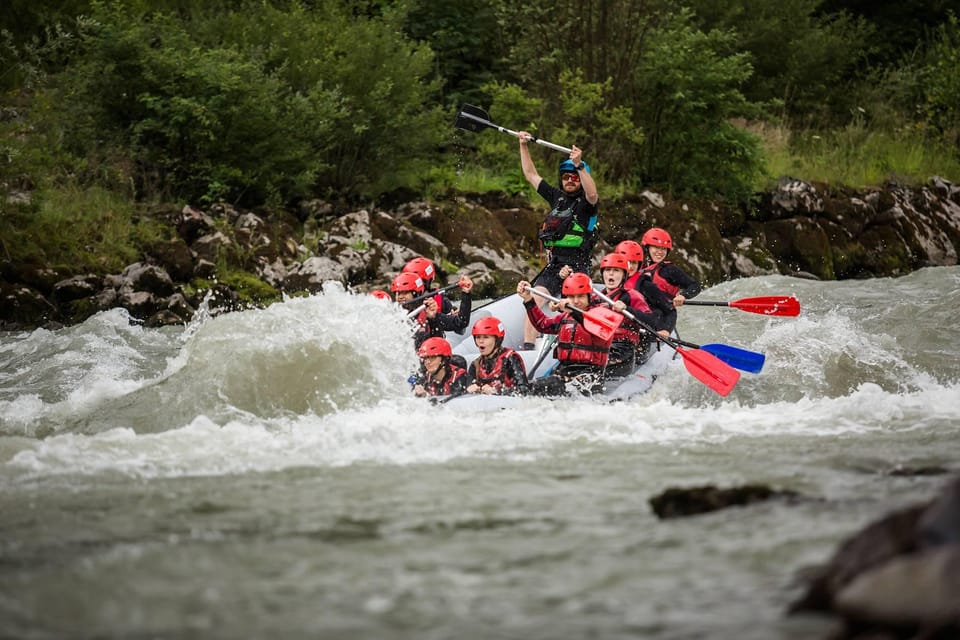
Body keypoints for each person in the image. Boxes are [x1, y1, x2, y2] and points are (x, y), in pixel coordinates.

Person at [517, 130, 599, 350]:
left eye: (574, 178)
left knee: (569, 305)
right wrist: (523, 145)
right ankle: (527, 347)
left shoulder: (586, 204)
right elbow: (531, 175)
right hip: (553, 265)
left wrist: (579, 165)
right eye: (566, 177)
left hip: (577, 267)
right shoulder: (557, 197)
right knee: (536, 298)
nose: (570, 181)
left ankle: (569, 342)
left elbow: (593, 195)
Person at [516, 272, 612, 396]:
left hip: (589, 376)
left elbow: (595, 326)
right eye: (572, 297)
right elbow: (542, 324)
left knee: (544, 387)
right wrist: (529, 300)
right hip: (564, 372)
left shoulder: (601, 314)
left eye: (581, 296)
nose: (576, 301)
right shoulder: (565, 317)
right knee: (533, 387)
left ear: (589, 296)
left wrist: (573, 312)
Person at [596, 252, 671, 377]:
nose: (611, 274)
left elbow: (653, 321)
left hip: (623, 352)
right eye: (608, 270)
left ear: (624, 275)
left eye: (616, 271)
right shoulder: (596, 297)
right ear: (602, 273)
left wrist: (627, 309)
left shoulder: (632, 296)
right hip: (601, 348)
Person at [391, 272, 473, 350]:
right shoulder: (392, 316)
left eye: (405, 293)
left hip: (431, 359)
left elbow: (461, 323)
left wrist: (466, 293)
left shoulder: (429, 313)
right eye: (398, 293)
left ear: (416, 293)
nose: (400, 297)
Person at [615, 238, 678, 335]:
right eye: (628, 262)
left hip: (644, 333)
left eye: (634, 263)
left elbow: (671, 311)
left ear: (639, 264)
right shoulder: (612, 282)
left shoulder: (645, 285)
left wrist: (666, 330)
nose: (631, 267)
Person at [465, 317, 530, 396]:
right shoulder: (475, 365)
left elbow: (524, 390)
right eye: (478, 337)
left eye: (486, 337)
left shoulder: (510, 359)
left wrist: (496, 392)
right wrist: (468, 390)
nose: (481, 341)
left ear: (497, 340)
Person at [638, 228, 701, 307]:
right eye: (656, 247)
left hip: (661, 315)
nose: (660, 252)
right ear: (647, 248)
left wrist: (683, 295)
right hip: (638, 312)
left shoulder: (669, 270)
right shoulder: (637, 268)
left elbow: (695, 286)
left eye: (664, 248)